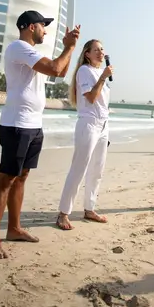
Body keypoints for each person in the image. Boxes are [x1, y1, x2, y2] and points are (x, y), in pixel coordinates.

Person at [0, 10, 80, 259]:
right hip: (16, 124)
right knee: (6, 179)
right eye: (42, 26)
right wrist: (69, 47)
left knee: (22, 176)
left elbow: (59, 71)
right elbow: (54, 67)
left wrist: (69, 48)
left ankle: (14, 228)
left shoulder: (31, 52)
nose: (45, 30)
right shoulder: (18, 47)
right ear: (29, 27)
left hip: (33, 125)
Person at [56, 40, 113, 230]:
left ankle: (89, 209)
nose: (100, 52)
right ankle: (63, 213)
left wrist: (103, 76)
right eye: (96, 50)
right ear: (87, 54)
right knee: (79, 168)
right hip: (88, 124)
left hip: (103, 125)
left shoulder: (99, 72)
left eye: (102, 49)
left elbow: (102, 102)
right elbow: (90, 97)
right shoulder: (84, 71)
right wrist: (104, 77)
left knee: (97, 170)